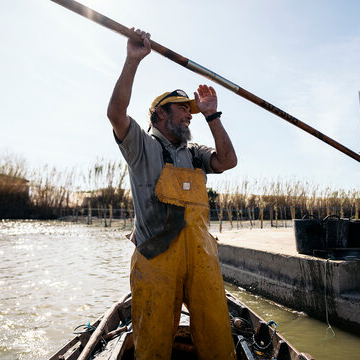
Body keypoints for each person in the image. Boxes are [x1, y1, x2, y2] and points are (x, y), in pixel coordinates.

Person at [107, 28, 238, 360]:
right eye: (182, 108)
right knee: (152, 343)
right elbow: (116, 115)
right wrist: (132, 60)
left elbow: (228, 161)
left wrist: (213, 115)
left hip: (202, 260)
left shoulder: (194, 151)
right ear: (160, 114)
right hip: (155, 262)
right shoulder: (142, 147)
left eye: (190, 109)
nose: (188, 113)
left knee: (218, 337)